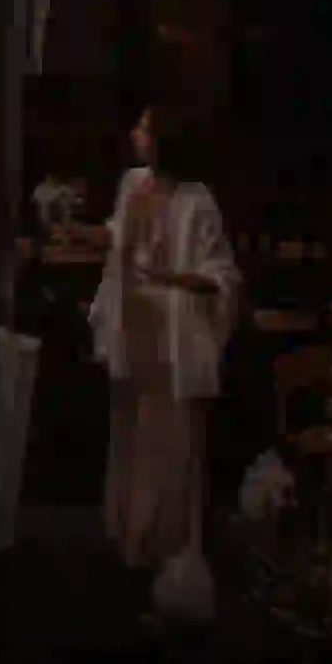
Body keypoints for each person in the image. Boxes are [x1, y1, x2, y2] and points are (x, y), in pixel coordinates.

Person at [88, 103, 238, 575]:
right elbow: (118, 241)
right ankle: (131, 537)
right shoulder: (132, 184)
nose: (135, 133)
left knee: (169, 437)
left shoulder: (198, 199)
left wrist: (176, 277)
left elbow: (220, 274)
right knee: (132, 431)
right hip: (135, 319)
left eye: (144, 127)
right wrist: (85, 235)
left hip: (174, 326)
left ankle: (170, 549)